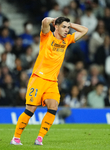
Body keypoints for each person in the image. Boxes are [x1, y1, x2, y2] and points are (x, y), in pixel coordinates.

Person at [10, 16, 88, 145]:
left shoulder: (67, 40)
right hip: (38, 78)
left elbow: (84, 30)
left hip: (52, 81)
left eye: (68, 28)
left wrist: (69, 24)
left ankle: (39, 138)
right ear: (56, 26)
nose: (67, 30)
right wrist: (56, 20)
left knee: (53, 107)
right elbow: (45, 21)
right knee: (30, 109)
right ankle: (16, 138)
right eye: (64, 27)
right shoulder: (47, 36)